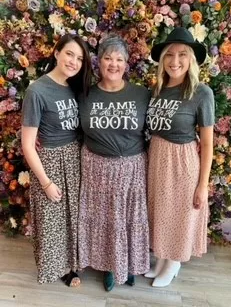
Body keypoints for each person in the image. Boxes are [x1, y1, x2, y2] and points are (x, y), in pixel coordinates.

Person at [78, 34, 150, 291]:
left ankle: (127, 265)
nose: (113, 64)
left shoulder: (142, 94)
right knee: (105, 220)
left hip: (132, 168)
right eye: (108, 57)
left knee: (129, 219)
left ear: (127, 63)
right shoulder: (84, 94)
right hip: (96, 168)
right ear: (99, 61)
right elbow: (68, 126)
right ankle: (109, 267)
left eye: (119, 59)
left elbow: (161, 127)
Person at [145, 27, 215, 287]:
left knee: (181, 214)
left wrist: (203, 184)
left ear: (191, 59)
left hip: (182, 161)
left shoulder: (201, 93)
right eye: (169, 55)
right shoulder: (157, 89)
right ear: (162, 59)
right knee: (162, 212)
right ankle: (163, 261)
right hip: (157, 157)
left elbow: (207, 143)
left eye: (182, 55)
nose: (175, 61)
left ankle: (174, 263)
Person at [21, 34, 91, 285]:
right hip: (49, 161)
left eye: (80, 58)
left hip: (74, 158)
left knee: (73, 218)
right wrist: (46, 182)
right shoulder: (37, 90)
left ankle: (72, 265)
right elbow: (28, 144)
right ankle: (56, 268)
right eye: (70, 54)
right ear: (56, 52)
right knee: (52, 221)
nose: (73, 61)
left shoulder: (75, 87)